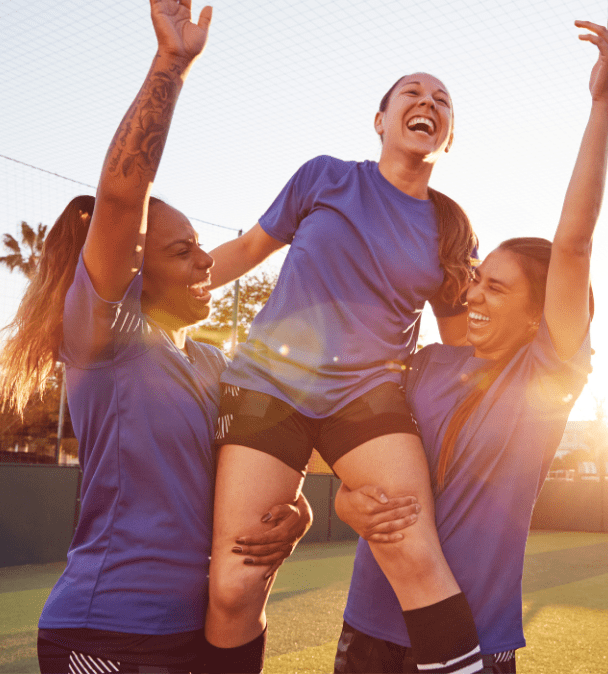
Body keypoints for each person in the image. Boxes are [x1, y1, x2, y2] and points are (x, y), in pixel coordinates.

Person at [0, 3, 310, 672]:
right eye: (185, 250)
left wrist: (297, 510)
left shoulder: (206, 360)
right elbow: (119, 198)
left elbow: (251, 462)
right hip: (106, 633)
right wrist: (172, 64)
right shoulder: (105, 342)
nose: (205, 262)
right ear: (134, 270)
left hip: (199, 634)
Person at [330, 2, 608, 671]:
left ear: (538, 313)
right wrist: (348, 503)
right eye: (476, 279)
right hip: (369, 627)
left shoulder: (548, 373)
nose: (474, 293)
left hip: (471, 640)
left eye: (497, 286)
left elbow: (572, 244)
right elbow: (350, 458)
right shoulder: (425, 364)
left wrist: (601, 104)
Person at [200, 25, 485, 674]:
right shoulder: (324, 177)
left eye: (442, 101)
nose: (428, 102)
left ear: (448, 137)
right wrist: (147, 300)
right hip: (268, 385)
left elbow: (462, 343)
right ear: (381, 119)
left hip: (368, 397)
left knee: (412, 546)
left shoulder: (450, 225)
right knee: (234, 582)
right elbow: (245, 253)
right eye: (412, 93)